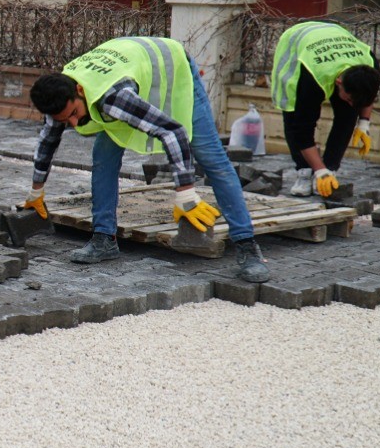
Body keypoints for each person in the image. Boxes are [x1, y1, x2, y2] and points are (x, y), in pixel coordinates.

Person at [21, 36, 270, 283]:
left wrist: (185, 194)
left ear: (79, 90)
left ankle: (247, 247)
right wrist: (36, 191)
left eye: (74, 114)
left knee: (211, 157)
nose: (75, 124)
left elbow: (173, 132)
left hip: (172, 70)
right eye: (67, 120)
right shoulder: (58, 97)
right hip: (132, 73)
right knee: (103, 157)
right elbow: (48, 141)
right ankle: (104, 240)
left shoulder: (114, 99)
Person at [269, 21, 380, 198]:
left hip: (334, 42)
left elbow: (368, 95)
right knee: (294, 117)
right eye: (350, 99)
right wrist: (318, 170)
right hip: (298, 47)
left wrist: (364, 123)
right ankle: (304, 171)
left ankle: (330, 169)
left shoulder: (369, 64)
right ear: (339, 83)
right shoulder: (311, 80)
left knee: (347, 117)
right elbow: (302, 132)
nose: (353, 104)